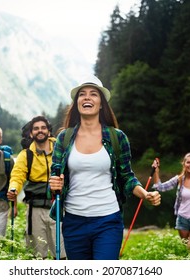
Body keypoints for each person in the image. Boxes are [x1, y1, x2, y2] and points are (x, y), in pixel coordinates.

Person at [48, 76, 161, 260]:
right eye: (82, 95)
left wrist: (145, 194)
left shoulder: (118, 137)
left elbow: (126, 176)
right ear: (77, 103)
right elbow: (54, 180)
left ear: (101, 104)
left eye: (93, 94)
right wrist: (53, 185)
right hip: (73, 221)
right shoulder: (64, 138)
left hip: (108, 220)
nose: (87, 98)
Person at [7, 116, 66, 260]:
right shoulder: (26, 154)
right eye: (36, 128)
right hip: (35, 208)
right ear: (31, 133)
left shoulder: (61, 149)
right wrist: (13, 189)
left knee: (63, 253)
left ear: (48, 131)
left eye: (43, 128)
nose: (40, 131)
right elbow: (17, 175)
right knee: (37, 254)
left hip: (58, 206)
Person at [152, 152, 190, 247]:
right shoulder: (179, 179)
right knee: (188, 249)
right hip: (182, 220)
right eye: (188, 162)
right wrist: (156, 171)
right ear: (184, 163)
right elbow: (160, 187)